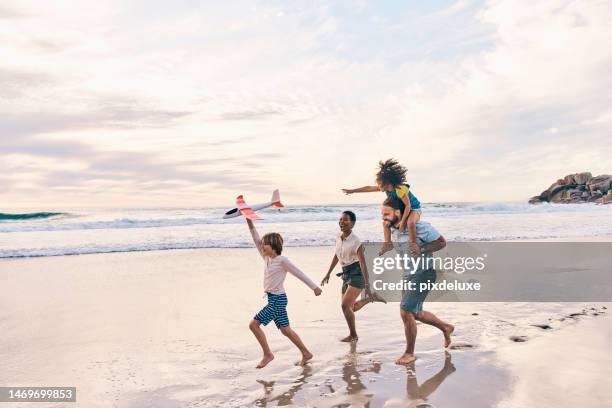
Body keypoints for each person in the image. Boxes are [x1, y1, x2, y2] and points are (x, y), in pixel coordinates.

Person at [381, 197, 454, 365]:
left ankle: (409, 353)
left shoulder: (421, 227)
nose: (383, 218)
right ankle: (446, 328)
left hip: (424, 273)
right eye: (382, 214)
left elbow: (442, 242)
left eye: (386, 214)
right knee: (416, 313)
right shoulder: (393, 228)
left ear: (398, 213)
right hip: (408, 274)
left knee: (405, 311)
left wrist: (421, 249)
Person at [246, 218, 322, 368]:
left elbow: (299, 273)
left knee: (254, 325)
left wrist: (314, 287)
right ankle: (306, 353)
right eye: (261, 244)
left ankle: (268, 354)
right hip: (273, 299)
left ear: (273, 246)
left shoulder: (282, 260)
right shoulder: (266, 258)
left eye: (264, 244)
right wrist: (249, 221)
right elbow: (255, 238)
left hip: (277, 300)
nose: (261, 246)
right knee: (285, 330)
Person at [320, 211, 386, 342]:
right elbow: (337, 255)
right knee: (350, 308)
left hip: (357, 274)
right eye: (340, 220)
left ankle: (353, 335)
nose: (341, 222)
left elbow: (363, 264)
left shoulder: (356, 242)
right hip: (345, 274)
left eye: (345, 220)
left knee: (345, 306)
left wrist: (367, 285)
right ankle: (370, 298)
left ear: (353, 223)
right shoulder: (338, 237)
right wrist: (328, 273)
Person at [342, 159, 422, 256]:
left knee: (411, 223)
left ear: (387, 183)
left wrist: (402, 222)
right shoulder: (386, 188)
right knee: (385, 223)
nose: (378, 186)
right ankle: (388, 244)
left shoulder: (400, 189)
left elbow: (408, 205)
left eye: (379, 183)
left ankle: (414, 247)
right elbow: (369, 188)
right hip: (401, 210)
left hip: (413, 209)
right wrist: (352, 191)